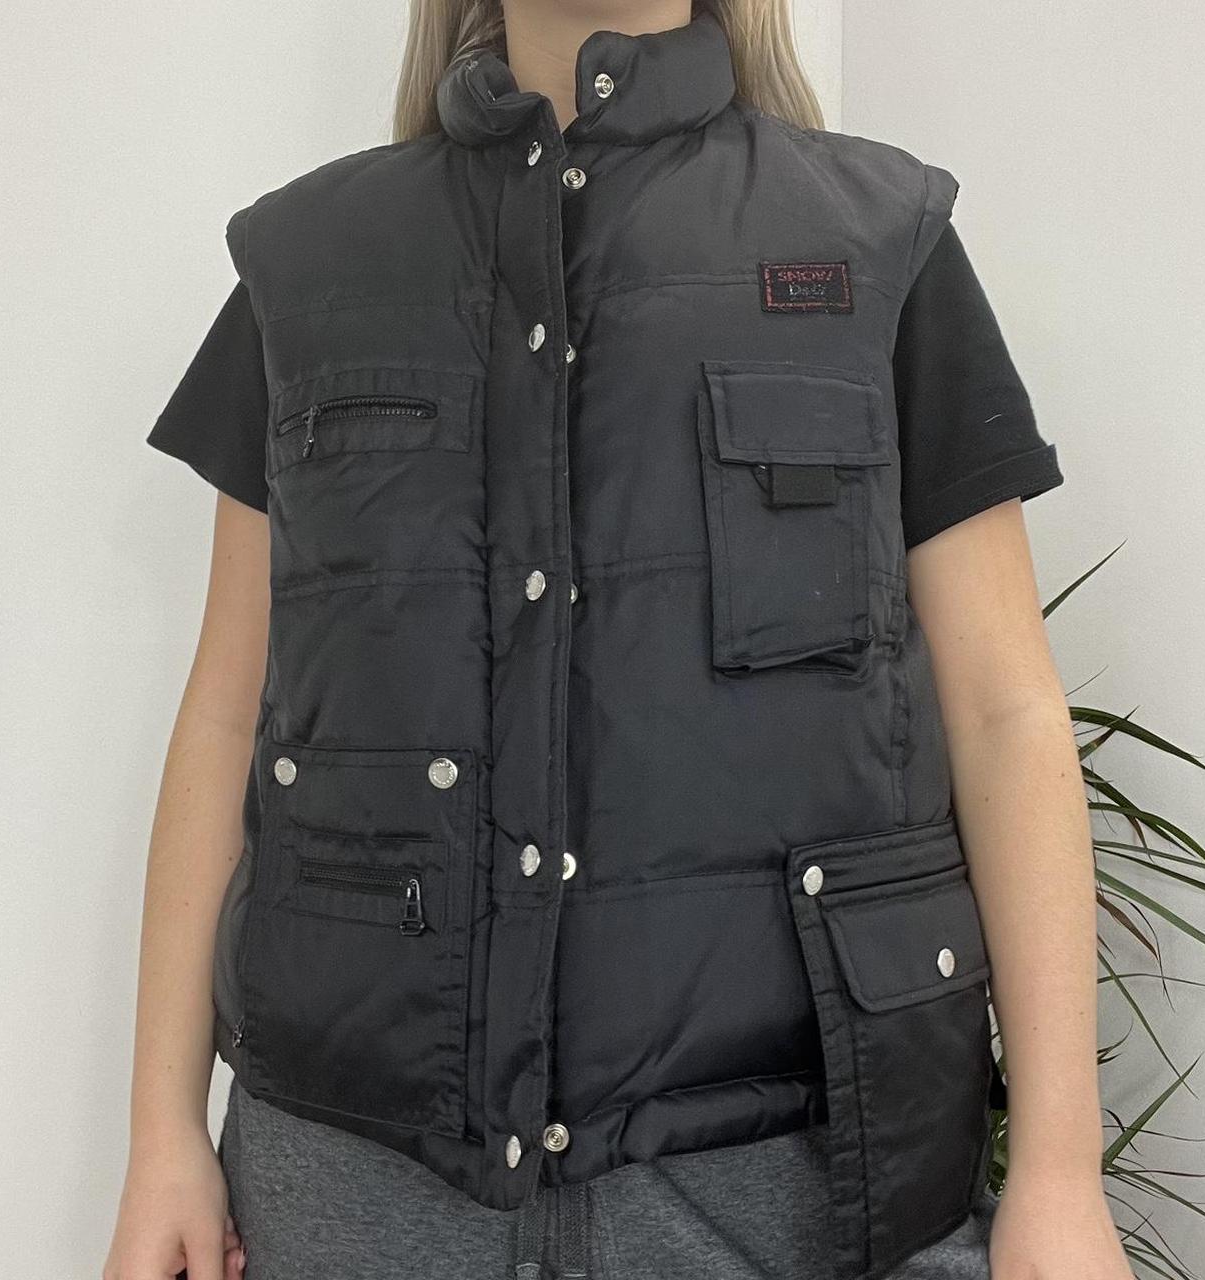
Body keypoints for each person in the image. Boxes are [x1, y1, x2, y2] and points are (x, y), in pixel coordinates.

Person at [105, 2, 1135, 1278]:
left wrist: (1057, 1168)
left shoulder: (881, 244)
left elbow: (1003, 710)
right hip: (356, 1179)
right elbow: (227, 706)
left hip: (782, 1181)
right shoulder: (306, 264)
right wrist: (160, 1133)